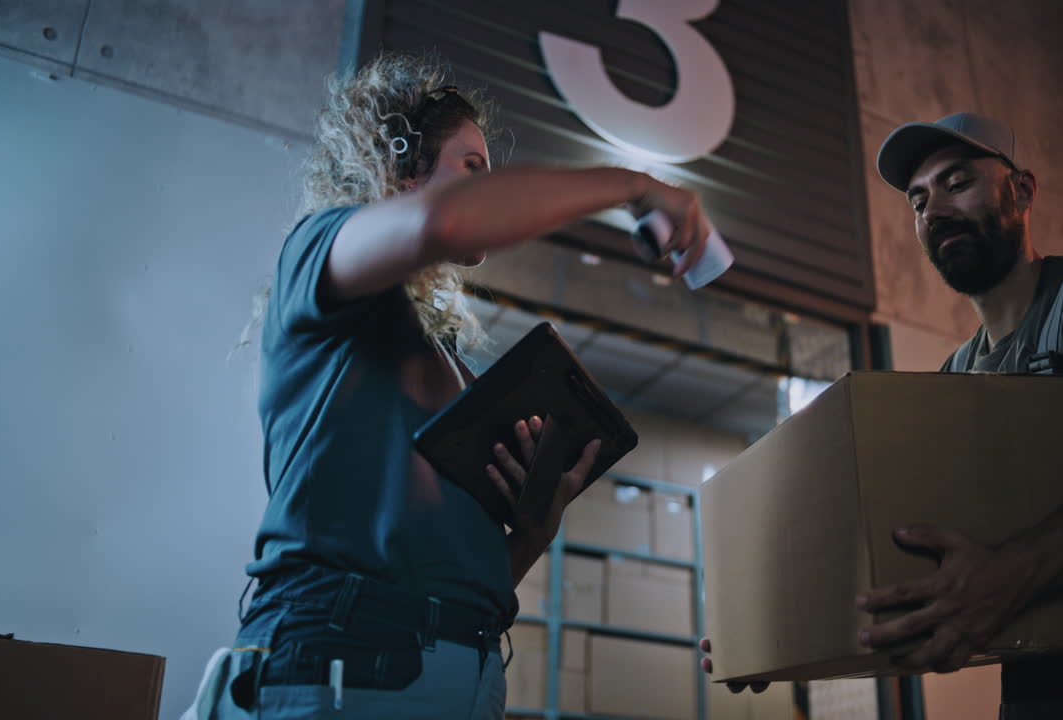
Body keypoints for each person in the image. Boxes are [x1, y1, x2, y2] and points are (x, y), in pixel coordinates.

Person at [185, 52, 712, 719]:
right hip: (342, 653)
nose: (486, 186)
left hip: (466, 665)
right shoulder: (317, 252)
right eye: (472, 167)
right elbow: (447, 221)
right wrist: (635, 186)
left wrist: (531, 531)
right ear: (402, 170)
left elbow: (462, 579)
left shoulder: (452, 363)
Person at [702, 113, 1063, 718]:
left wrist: (1011, 575)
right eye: (919, 200)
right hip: (1037, 684)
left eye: (957, 183)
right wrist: (781, 635)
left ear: (1023, 191)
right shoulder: (957, 376)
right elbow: (917, 561)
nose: (936, 211)